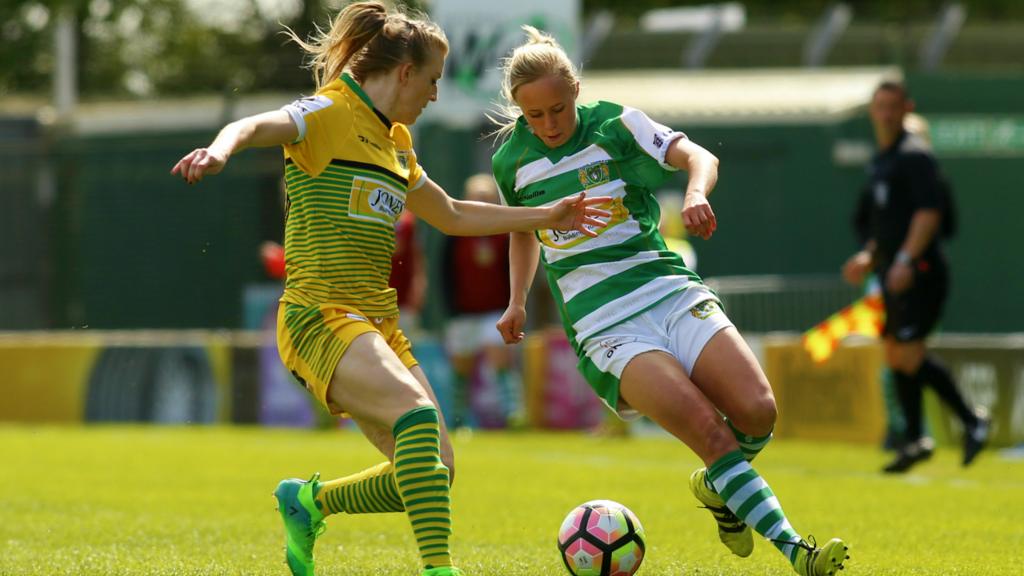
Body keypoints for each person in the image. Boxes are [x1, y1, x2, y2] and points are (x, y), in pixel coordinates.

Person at [170, 4, 609, 576]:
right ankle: (438, 571)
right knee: (418, 418)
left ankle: (309, 502)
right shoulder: (328, 111)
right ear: (405, 73)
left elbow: (450, 214)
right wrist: (221, 150)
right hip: (318, 317)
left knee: (435, 469)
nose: (433, 95)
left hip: (378, 324)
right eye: (431, 81)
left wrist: (544, 214)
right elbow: (254, 126)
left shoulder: (397, 143)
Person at [490, 26, 848, 576]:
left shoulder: (617, 124)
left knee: (758, 412)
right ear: (518, 110)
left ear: (576, 90)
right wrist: (516, 300)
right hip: (604, 324)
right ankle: (797, 551)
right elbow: (522, 229)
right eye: (534, 115)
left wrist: (696, 192)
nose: (549, 124)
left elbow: (698, 156)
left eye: (558, 109)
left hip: (666, 289)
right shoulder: (511, 160)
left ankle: (718, 486)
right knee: (708, 430)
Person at [842, 81, 988, 474]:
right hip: (893, 271)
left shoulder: (915, 155)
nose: (886, 114)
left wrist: (906, 259)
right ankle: (914, 442)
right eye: (880, 106)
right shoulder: (883, 160)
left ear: (907, 108)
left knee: (907, 354)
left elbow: (929, 214)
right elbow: (881, 221)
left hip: (920, 272)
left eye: (893, 106)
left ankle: (973, 420)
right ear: (872, 110)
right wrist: (869, 255)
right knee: (895, 354)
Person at [441, 174, 521, 429]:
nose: (482, 203)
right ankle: (458, 419)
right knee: (460, 369)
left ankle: (512, 416)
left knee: (500, 362)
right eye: (477, 197)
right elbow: (445, 273)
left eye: (487, 198)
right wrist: (451, 310)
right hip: (463, 314)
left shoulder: (503, 235)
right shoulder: (455, 233)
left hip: (495, 312)